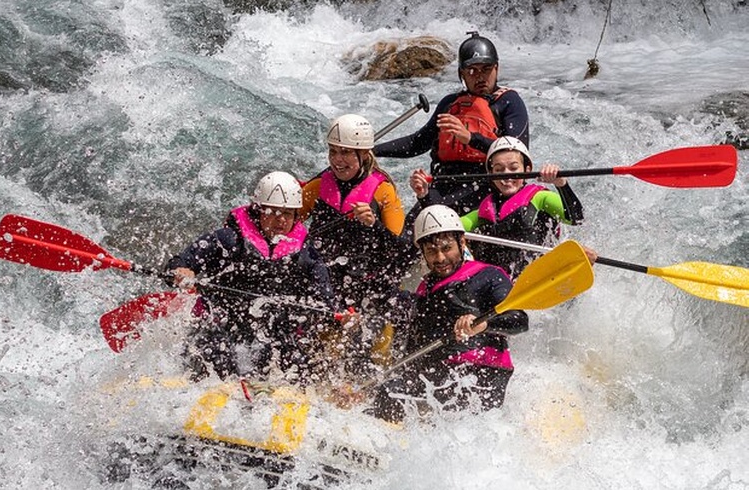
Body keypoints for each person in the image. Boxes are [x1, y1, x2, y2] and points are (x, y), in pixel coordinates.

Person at [163, 171, 341, 384]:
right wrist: (182, 271)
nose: (281, 220)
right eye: (273, 212)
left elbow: (326, 302)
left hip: (272, 332)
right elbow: (178, 263)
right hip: (221, 324)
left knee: (294, 359)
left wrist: (341, 318)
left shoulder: (306, 255)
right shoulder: (227, 239)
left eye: (287, 213)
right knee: (217, 353)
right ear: (258, 211)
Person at [370, 204, 528, 423]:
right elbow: (412, 345)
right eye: (432, 252)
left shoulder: (489, 275)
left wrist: (484, 324)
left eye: (447, 248)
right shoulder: (425, 289)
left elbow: (519, 320)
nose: (440, 258)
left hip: (481, 374)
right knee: (388, 393)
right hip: (439, 374)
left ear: (462, 243)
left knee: (395, 394)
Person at [299, 113, 416, 377]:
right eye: (333, 152)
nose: (337, 160)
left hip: (372, 282)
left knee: (372, 354)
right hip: (328, 281)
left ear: (364, 155)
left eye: (346, 153)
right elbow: (290, 225)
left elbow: (399, 249)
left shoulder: (383, 190)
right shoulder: (318, 186)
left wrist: (373, 224)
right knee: (324, 354)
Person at [373, 31, 530, 218]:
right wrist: (373, 150)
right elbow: (418, 143)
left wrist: (470, 138)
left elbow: (517, 151)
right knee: (410, 234)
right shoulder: (449, 104)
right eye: (472, 70)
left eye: (486, 69)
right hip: (444, 183)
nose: (480, 77)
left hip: (487, 184)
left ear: (496, 69)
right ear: (461, 73)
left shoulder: (509, 102)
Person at [411, 136, 584, 279]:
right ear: (491, 174)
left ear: (528, 169)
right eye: (499, 169)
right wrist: (424, 196)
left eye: (514, 168)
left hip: (537, 278)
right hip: (498, 284)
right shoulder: (484, 209)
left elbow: (576, 218)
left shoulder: (540, 197)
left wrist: (561, 184)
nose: (506, 175)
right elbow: (443, 229)